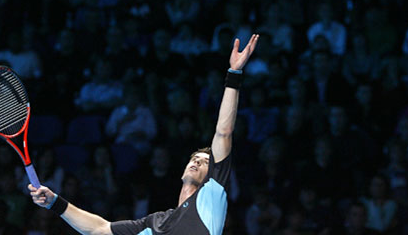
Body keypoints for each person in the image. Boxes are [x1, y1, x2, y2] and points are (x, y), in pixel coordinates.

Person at [29, 35, 260, 235]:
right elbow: (99, 229)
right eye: (195, 158)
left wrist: (234, 74)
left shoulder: (211, 197)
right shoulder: (154, 223)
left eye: (205, 162)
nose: (197, 161)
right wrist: (55, 203)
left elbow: (223, 133)